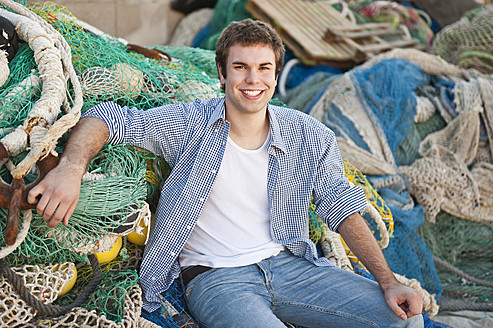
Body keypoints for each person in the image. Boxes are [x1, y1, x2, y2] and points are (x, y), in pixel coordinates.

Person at [28, 19, 423, 327]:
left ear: (275, 74)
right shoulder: (190, 124)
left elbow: (343, 209)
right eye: (241, 67)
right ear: (222, 73)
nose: (253, 80)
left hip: (290, 266)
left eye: (264, 68)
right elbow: (108, 117)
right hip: (218, 279)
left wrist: (388, 282)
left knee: (403, 319)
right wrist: (71, 168)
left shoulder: (309, 135)